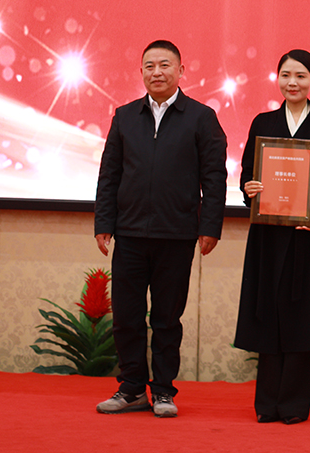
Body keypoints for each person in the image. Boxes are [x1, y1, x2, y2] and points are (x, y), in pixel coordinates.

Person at [93, 40, 227, 418]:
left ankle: (164, 391)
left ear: (181, 71)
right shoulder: (124, 117)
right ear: (141, 73)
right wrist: (104, 222)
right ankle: (132, 388)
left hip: (177, 234)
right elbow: (109, 175)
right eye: (149, 66)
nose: (157, 72)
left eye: (165, 65)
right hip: (130, 233)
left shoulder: (201, 117)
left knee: (167, 319)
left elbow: (214, 177)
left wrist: (210, 226)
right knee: (127, 317)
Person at [233, 49, 310, 424]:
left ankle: (295, 406)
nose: (292, 82)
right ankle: (267, 404)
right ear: (278, 79)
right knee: (267, 313)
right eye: (285, 75)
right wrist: (249, 189)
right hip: (268, 236)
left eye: (300, 76)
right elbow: (247, 174)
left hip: (308, 233)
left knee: (302, 318)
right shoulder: (263, 121)